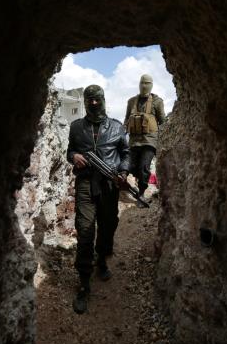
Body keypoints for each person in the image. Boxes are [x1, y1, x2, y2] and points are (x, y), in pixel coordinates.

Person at [66, 84, 130, 314]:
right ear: (85, 101)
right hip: (85, 183)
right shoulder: (76, 127)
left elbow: (126, 153)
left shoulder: (117, 127)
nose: (93, 103)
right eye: (89, 100)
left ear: (103, 100)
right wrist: (74, 156)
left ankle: (101, 258)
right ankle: (84, 281)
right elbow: (69, 151)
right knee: (84, 229)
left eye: (97, 99)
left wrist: (123, 172)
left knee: (108, 225)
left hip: (108, 185)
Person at [124, 74, 166, 207]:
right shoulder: (131, 101)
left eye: (147, 83)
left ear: (151, 85)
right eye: (142, 83)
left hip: (150, 140)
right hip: (134, 141)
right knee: (129, 165)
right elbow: (126, 120)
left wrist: (163, 141)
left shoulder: (157, 101)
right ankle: (136, 184)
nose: (144, 86)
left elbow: (163, 121)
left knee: (144, 167)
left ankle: (141, 193)